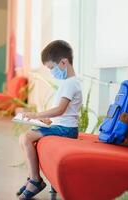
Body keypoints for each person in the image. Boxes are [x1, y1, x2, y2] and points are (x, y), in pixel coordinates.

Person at [17, 40, 82, 199]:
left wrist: (37, 115)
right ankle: (32, 177)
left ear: (63, 62)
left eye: (52, 68)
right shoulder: (67, 82)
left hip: (67, 130)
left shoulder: (70, 84)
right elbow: (64, 114)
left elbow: (60, 110)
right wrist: (45, 121)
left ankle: (36, 180)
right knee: (23, 138)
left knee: (26, 138)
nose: (52, 72)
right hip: (61, 126)